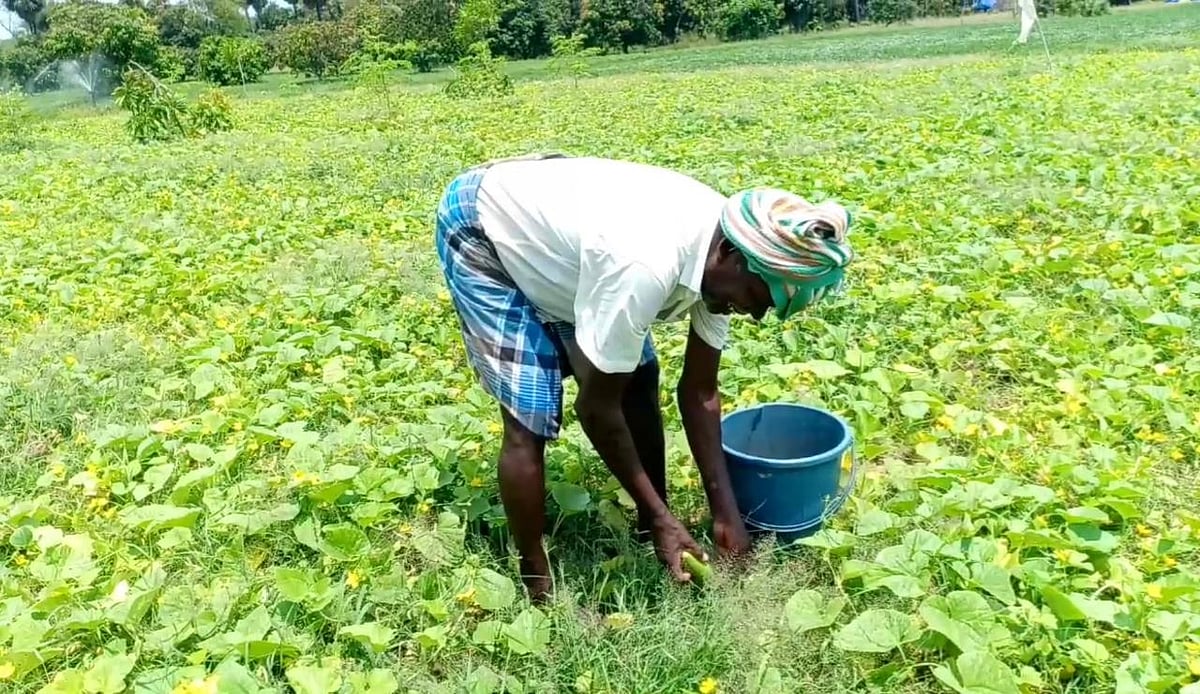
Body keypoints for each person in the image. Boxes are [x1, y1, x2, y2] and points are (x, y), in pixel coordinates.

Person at [433, 154, 854, 600]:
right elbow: (596, 408)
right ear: (728, 256)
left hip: (575, 246)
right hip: (486, 223)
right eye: (756, 296)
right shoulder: (645, 264)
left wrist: (725, 514)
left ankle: (649, 522)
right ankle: (538, 584)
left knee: (638, 378)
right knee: (530, 416)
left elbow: (700, 393)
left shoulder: (728, 253)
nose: (753, 312)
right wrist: (662, 518)